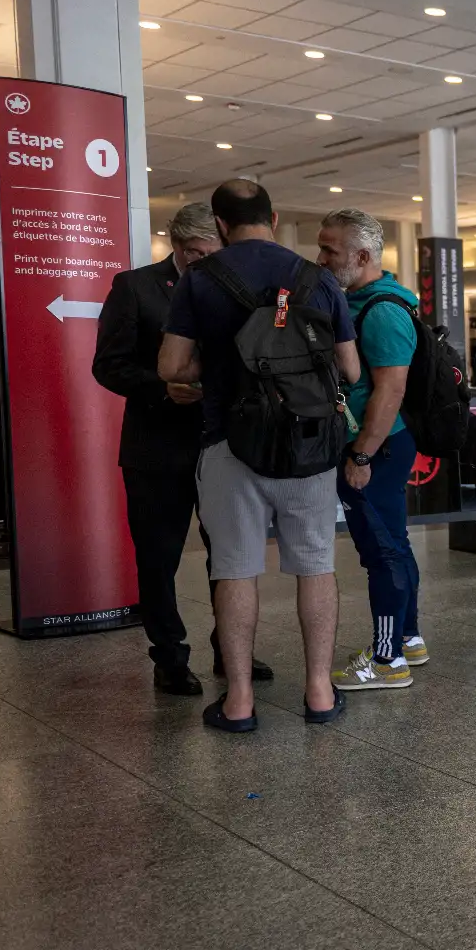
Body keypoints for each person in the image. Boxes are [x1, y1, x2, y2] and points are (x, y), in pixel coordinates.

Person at [159, 180, 360, 733]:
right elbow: (351, 370)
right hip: (308, 449)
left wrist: (222, 369)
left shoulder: (199, 280)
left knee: (234, 571)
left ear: (220, 225)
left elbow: (171, 367)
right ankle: (319, 691)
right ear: (273, 219)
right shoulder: (316, 278)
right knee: (316, 565)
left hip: (229, 446)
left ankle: (240, 701)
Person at [92, 202, 271, 695]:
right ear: (176, 245)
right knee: (159, 557)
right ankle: (169, 657)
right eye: (194, 254)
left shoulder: (235, 287)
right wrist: (160, 387)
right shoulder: (135, 287)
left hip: (223, 445)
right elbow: (108, 366)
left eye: (212, 253)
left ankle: (230, 649)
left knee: (230, 556)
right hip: (156, 446)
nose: (203, 264)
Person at [317, 208, 429, 691]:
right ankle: (408, 638)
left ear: (362, 256)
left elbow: (390, 391)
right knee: (395, 545)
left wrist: (361, 455)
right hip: (382, 445)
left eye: (330, 251)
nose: (320, 259)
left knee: (380, 554)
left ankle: (387, 660)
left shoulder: (380, 311)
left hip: (376, 448)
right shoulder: (363, 302)